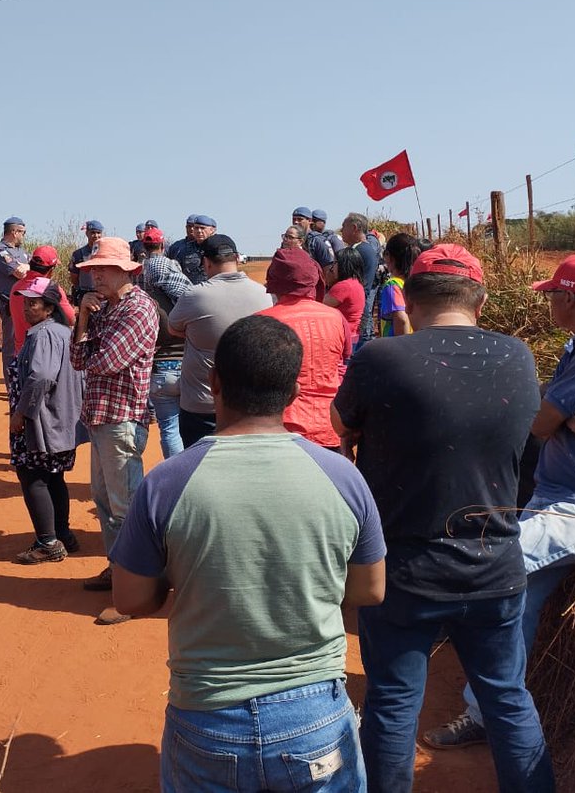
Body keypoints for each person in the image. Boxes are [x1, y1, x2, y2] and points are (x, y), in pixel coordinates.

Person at [110, 314, 386, 793]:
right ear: (295, 389)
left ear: (214, 382)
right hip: (317, 713)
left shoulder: (167, 482)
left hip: (207, 714)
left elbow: (132, 600)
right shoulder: (343, 477)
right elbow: (370, 590)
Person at [331, 244, 555, 793]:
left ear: (409, 295)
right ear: (479, 298)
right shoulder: (517, 356)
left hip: (403, 567)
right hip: (495, 563)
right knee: (506, 696)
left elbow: (341, 421)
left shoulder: (381, 359)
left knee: (391, 699)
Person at [424, 253, 575, 751]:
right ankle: (487, 711)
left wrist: (558, 414)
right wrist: (565, 412)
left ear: (572, 298)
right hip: (569, 496)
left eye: (553, 293)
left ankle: (435, 660)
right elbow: (548, 412)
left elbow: (535, 422)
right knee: (521, 596)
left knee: (498, 563)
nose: (549, 300)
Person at [70, 236, 159, 625]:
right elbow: (77, 358)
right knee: (105, 501)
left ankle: (138, 589)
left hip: (122, 417)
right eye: (91, 271)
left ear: (126, 270)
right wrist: (84, 318)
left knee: (125, 507)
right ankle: (118, 570)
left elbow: (105, 361)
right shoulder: (105, 309)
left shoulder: (138, 309)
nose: (95, 277)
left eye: (102, 270)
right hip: (103, 417)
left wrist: (90, 334)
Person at [168, 234, 271, 447]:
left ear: (205, 262)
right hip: (249, 404)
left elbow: (173, 327)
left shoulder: (195, 295)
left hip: (201, 404)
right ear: (236, 258)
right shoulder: (263, 294)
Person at [9, 277, 84, 564]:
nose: (27, 308)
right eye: (26, 303)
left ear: (50, 307)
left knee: (33, 476)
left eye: (34, 303)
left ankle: (48, 542)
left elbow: (41, 377)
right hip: (60, 419)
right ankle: (62, 534)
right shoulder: (62, 332)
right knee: (54, 477)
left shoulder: (43, 335)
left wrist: (22, 413)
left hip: (41, 420)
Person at [265, 247, 351, 451]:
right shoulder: (336, 318)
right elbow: (343, 363)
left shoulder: (262, 321)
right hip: (330, 426)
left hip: (283, 430)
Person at [140, 228, 185, 459]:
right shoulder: (166, 266)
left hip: (158, 368)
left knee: (169, 428)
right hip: (186, 365)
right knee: (189, 426)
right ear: (163, 244)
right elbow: (187, 293)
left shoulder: (139, 276)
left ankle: (175, 472)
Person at [9, 245, 75, 356]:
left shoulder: (16, 287)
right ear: (51, 270)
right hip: (44, 353)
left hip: (20, 352)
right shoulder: (51, 289)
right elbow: (71, 319)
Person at [0, 217, 31, 382]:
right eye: (22, 232)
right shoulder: (0, 251)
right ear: (14, 232)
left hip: (28, 303)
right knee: (11, 345)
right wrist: (27, 268)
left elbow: (36, 269)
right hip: (10, 303)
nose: (24, 236)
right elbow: (19, 273)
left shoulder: (20, 251)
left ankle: (24, 380)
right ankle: (11, 385)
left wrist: (28, 267)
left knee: (28, 342)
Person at [339, 213, 379, 347]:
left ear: (354, 228)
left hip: (355, 307)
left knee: (356, 344)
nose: (341, 230)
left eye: (344, 226)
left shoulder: (357, 250)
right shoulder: (367, 248)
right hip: (362, 304)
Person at [377, 232, 421, 337]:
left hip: (398, 345)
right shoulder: (416, 282)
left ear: (389, 256)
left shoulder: (392, 285)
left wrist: (402, 348)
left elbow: (401, 319)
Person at [324, 245, 366, 343]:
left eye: (334, 263)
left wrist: (327, 282)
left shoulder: (343, 286)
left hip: (342, 336)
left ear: (343, 264)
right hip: (353, 335)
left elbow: (320, 306)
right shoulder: (355, 283)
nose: (331, 267)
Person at [141, 226, 192, 304]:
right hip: (177, 309)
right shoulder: (169, 264)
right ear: (162, 245)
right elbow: (184, 293)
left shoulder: (139, 268)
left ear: (144, 247)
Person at [293, 206, 335, 287]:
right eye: (294, 219)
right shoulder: (290, 239)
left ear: (309, 221)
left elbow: (328, 269)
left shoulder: (318, 240)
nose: (296, 222)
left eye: (300, 219)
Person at [167, 215, 216, 284]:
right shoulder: (185, 249)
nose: (199, 231)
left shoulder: (216, 247)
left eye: (202, 228)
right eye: (196, 228)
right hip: (190, 289)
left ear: (211, 230)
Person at [67, 220, 105, 305]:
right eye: (93, 233)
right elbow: (74, 277)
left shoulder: (105, 252)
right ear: (87, 233)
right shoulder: (78, 254)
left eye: (98, 233)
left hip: (103, 295)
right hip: (85, 294)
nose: (96, 236)